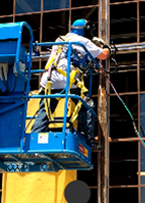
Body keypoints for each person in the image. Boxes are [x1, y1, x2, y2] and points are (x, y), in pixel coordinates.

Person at [31, 19, 110, 151]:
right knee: (86, 105)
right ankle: (88, 140)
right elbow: (104, 55)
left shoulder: (60, 39)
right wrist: (105, 47)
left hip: (49, 80)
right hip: (68, 81)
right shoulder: (83, 41)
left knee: (44, 110)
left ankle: (35, 139)